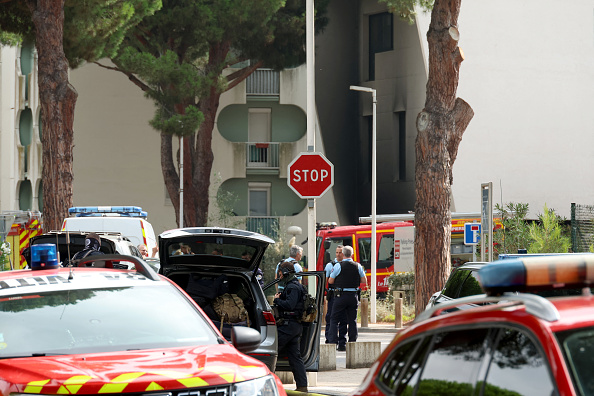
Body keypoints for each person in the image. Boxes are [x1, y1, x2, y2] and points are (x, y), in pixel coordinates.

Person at [273, 261, 308, 393]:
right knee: (295, 358)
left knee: (272, 352)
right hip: (293, 326)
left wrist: (277, 300)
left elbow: (290, 305)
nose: (279, 275)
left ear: (286, 272)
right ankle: (302, 386)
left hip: (288, 326)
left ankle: (263, 383)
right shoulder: (294, 286)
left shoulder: (293, 287)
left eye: (280, 273)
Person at [327, 245, 367, 352]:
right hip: (353, 296)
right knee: (352, 320)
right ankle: (352, 341)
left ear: (343, 254)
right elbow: (364, 280)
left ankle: (333, 341)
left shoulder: (338, 266)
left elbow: (330, 281)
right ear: (352, 254)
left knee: (334, 319)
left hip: (340, 296)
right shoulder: (358, 266)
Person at [324, 245, 343, 344]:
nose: (338, 254)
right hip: (333, 295)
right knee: (330, 317)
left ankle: (340, 340)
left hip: (342, 295)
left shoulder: (345, 264)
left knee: (342, 318)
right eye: (337, 252)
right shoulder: (330, 265)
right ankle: (329, 338)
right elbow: (326, 281)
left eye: (340, 252)